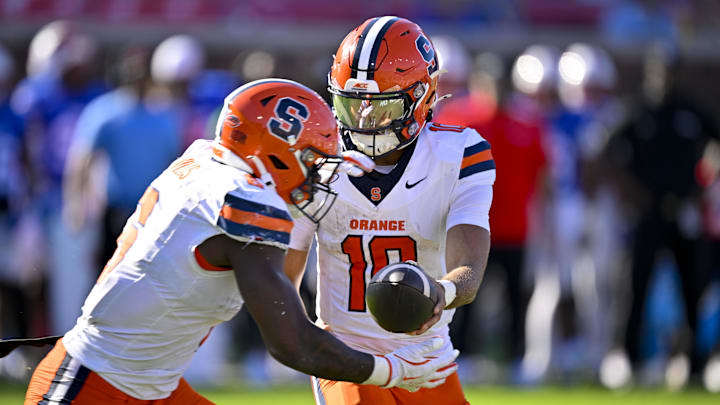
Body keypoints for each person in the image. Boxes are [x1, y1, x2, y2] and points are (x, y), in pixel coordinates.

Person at [23, 79, 458, 404]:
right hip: (90, 387)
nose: (317, 177)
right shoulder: (244, 202)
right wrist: (392, 370)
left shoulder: (205, 159)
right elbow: (293, 343)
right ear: (272, 155)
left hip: (149, 383)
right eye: (311, 160)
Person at [283, 16, 495, 404]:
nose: (363, 121)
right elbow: (283, 277)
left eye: (379, 107)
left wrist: (440, 293)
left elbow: (470, 268)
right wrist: (308, 342)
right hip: (346, 355)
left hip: (428, 359)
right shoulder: (315, 157)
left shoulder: (459, 154)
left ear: (420, 96)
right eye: (352, 105)